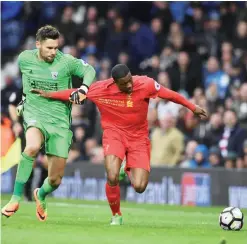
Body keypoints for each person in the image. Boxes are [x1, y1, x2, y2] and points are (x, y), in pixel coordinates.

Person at [30, 64, 207, 225]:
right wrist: (49, 94)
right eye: (124, 83)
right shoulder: (101, 89)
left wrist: (192, 107)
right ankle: (116, 215)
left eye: (130, 80)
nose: (129, 85)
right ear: (115, 83)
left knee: (139, 186)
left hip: (138, 138)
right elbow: (74, 93)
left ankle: (125, 170)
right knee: (112, 175)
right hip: (114, 134)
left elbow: (171, 94)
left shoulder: (145, 84)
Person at [1, 25, 96, 221]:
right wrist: (22, 105)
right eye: (49, 48)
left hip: (60, 122)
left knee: (55, 179)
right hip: (35, 115)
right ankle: (15, 198)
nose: (54, 52)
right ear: (38, 45)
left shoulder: (66, 62)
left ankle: (41, 194)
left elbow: (90, 70)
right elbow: (24, 88)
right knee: (32, 147)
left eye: (55, 47)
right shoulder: (24, 59)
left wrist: (84, 88)